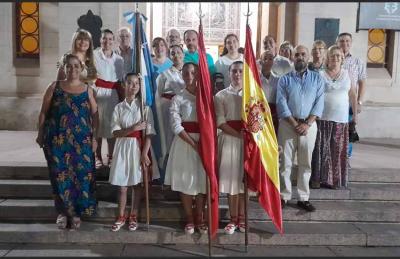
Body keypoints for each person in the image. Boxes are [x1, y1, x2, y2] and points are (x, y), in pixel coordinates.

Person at [36, 54, 98, 230]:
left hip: (82, 141)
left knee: (80, 176)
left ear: (81, 68)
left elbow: (95, 114)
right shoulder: (54, 87)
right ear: (64, 67)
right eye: (69, 66)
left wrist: (95, 138)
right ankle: (63, 212)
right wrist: (40, 133)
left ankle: (76, 213)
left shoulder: (88, 90)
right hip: (57, 141)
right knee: (60, 176)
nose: (73, 69)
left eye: (76, 66)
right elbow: (43, 112)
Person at [109, 73, 159, 232]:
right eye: (130, 83)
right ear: (124, 85)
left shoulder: (144, 108)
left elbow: (150, 133)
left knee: (136, 184)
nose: (133, 86)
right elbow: (115, 133)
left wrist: (144, 153)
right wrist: (132, 128)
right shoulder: (118, 107)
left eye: (136, 83)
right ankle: (121, 215)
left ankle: (134, 215)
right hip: (123, 148)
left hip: (138, 148)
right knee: (123, 186)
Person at [276, 45, 325, 212]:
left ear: (308, 57)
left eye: (303, 54)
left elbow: (319, 103)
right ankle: (284, 195)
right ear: (293, 57)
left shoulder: (317, 79)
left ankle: (303, 198)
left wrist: (307, 123)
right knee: (285, 163)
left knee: (305, 163)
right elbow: (281, 103)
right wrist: (295, 124)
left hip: (309, 126)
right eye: (297, 54)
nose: (300, 57)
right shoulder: (285, 79)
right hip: (288, 125)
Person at [164, 62, 208, 235]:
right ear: (182, 75)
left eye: (192, 72)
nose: (189, 76)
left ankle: (200, 216)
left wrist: (206, 143)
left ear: (198, 74)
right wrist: (193, 143)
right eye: (186, 73)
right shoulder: (178, 98)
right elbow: (175, 125)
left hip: (203, 144)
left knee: (202, 180)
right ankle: (189, 217)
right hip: (185, 143)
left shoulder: (206, 96)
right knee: (186, 180)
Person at [311, 45, 357, 189]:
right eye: (332, 55)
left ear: (342, 58)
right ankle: (317, 179)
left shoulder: (347, 74)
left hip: (341, 119)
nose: (335, 58)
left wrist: (355, 116)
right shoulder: (320, 74)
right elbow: (314, 95)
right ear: (327, 58)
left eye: (338, 56)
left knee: (336, 151)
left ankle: (334, 181)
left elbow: (353, 95)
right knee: (321, 150)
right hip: (322, 118)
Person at [214, 61, 246, 235]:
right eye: (234, 71)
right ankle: (233, 218)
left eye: (241, 71)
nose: (238, 74)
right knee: (231, 180)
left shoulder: (252, 95)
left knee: (243, 181)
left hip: (247, 143)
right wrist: (239, 135)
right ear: (229, 73)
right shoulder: (220, 95)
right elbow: (220, 122)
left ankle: (242, 217)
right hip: (229, 140)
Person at [93, 29, 124, 168]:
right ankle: (97, 156)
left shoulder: (119, 59)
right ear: (100, 40)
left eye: (110, 39)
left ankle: (111, 156)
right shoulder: (94, 55)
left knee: (112, 125)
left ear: (114, 41)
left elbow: (120, 80)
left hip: (113, 94)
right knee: (98, 126)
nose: (107, 41)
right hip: (98, 92)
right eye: (105, 38)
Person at [155, 44, 185, 179]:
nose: (176, 55)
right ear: (169, 56)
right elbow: (158, 95)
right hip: (167, 110)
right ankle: (167, 178)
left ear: (183, 54)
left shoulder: (190, 72)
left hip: (185, 110)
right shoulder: (164, 74)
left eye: (179, 52)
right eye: (173, 53)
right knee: (168, 141)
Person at [336, 32, 367, 159]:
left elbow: (362, 82)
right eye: (342, 41)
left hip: (350, 103)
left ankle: (346, 160)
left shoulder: (357, 62)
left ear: (351, 43)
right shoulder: (333, 58)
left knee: (348, 133)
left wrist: (359, 102)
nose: (345, 43)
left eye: (347, 41)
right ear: (337, 43)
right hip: (336, 103)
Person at [259, 50, 280, 133]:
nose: (268, 61)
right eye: (265, 58)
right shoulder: (256, 79)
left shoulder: (278, 79)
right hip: (260, 113)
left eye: (270, 59)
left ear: (273, 62)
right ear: (260, 61)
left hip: (274, 114)